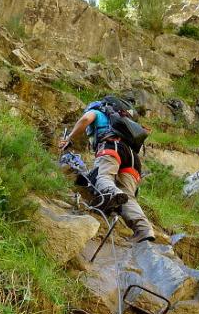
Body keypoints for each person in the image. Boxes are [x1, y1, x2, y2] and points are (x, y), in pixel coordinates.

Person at [59, 95, 155, 244]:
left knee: (103, 178)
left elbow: (86, 119)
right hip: (133, 159)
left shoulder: (98, 111)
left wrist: (69, 138)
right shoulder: (124, 121)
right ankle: (143, 229)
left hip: (112, 147)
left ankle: (113, 193)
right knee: (128, 195)